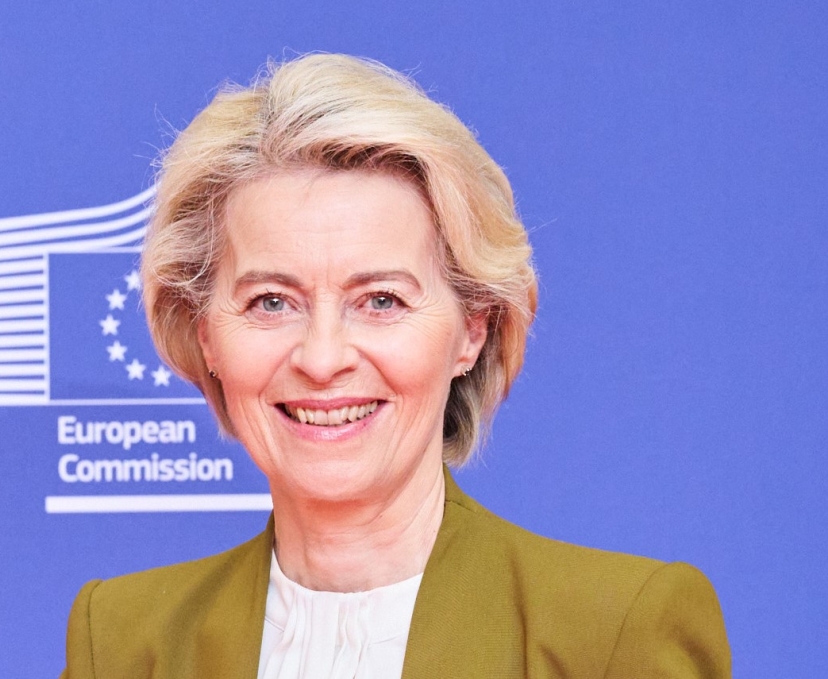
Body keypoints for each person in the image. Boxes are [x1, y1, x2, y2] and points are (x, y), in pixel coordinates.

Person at [61, 53, 731, 678]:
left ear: (472, 329)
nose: (323, 358)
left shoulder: (615, 633)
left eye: (381, 300)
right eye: (271, 302)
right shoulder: (120, 641)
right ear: (205, 333)